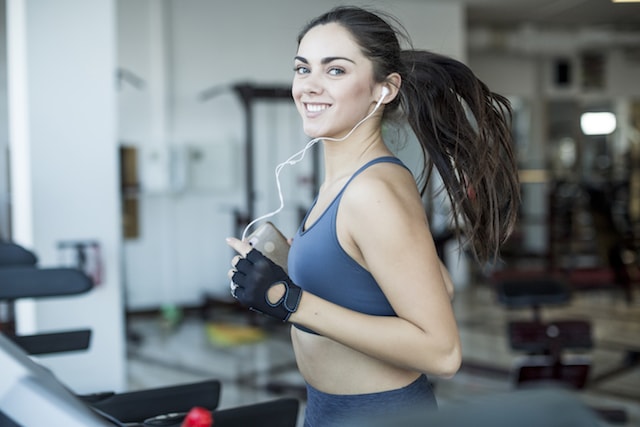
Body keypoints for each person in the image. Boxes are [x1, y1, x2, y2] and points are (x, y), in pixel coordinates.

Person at [226, 5, 520, 427]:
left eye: (336, 71)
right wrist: (289, 270)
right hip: (329, 409)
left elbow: (443, 353)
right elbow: (440, 284)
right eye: (302, 68)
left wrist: (288, 300)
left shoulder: (370, 190)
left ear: (384, 89)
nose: (309, 86)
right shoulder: (353, 180)